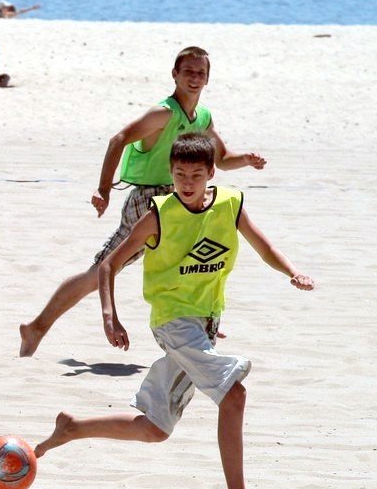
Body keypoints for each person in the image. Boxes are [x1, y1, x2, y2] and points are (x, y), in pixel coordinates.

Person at [34, 133, 314, 489]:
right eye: (179, 173)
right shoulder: (159, 215)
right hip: (172, 323)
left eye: (195, 175)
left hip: (203, 325)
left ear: (211, 173)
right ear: (170, 172)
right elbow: (108, 265)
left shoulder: (230, 205)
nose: (186, 182)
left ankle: (72, 427)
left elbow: (263, 246)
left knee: (154, 428)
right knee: (234, 395)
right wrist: (109, 316)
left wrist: (293, 272)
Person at [19, 46, 267, 357]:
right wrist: (104, 190)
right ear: (175, 74)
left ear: (207, 79)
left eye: (200, 73)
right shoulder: (162, 114)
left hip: (178, 197)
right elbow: (118, 139)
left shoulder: (202, 116)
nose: (194, 77)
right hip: (149, 199)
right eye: (188, 71)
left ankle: (198, 317)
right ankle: (36, 328)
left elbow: (223, 159)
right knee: (101, 272)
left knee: (193, 255)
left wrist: (247, 159)